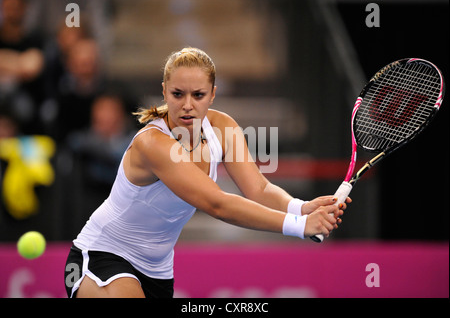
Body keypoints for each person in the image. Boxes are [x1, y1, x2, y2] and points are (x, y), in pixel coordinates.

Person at [64, 47, 351, 298]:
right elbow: (218, 203)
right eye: (178, 94)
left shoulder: (224, 128)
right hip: (99, 258)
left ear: (212, 95)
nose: (188, 105)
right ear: (164, 91)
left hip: (157, 272)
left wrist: (301, 208)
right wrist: (300, 226)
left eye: (198, 94)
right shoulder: (152, 143)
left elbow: (258, 189)